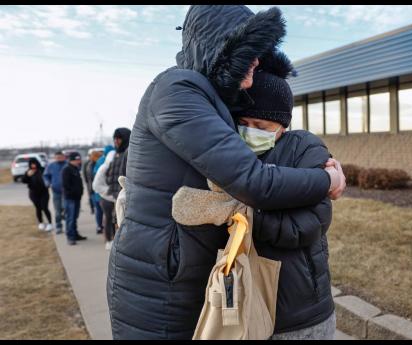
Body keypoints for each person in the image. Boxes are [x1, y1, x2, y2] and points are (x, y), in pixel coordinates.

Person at [106, 5, 346, 340]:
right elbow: (254, 181)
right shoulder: (177, 90)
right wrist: (329, 180)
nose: (257, 62)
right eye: (249, 51)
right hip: (158, 277)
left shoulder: (208, 96)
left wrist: (318, 162)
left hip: (185, 272)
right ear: (219, 47)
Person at [232, 69, 340, 340]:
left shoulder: (305, 147)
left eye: (261, 126)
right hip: (242, 303)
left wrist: (242, 215)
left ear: (282, 126)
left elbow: (308, 224)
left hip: (300, 310)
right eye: (243, 122)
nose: (249, 132)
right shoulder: (228, 152)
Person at [61, 152, 87, 245]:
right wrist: (74, 192)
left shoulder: (75, 168)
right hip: (70, 198)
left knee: (75, 217)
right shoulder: (66, 170)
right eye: (77, 159)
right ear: (72, 160)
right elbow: (66, 185)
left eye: (79, 159)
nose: (79, 161)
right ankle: (70, 237)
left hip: (76, 198)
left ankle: (75, 234)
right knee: (70, 218)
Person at [22, 157, 53, 232]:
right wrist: (27, 175)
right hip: (33, 193)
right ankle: (41, 222)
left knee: (44, 207)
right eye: (31, 164)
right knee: (38, 208)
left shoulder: (42, 169)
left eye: (34, 163)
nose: (33, 165)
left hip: (44, 192)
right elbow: (24, 181)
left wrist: (48, 184)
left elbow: (48, 178)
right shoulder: (28, 171)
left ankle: (50, 223)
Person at [43, 151, 67, 234]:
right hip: (56, 191)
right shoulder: (51, 166)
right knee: (57, 211)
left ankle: (68, 225)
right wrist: (48, 183)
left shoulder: (67, 164)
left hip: (67, 192)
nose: (59, 158)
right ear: (55, 158)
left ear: (64, 157)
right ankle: (59, 226)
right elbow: (46, 176)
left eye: (61, 157)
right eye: (57, 157)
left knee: (66, 208)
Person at [86, 150, 104, 234]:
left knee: (98, 209)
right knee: (99, 209)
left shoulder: (89, 164)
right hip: (95, 191)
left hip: (92, 190)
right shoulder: (94, 165)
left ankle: (99, 226)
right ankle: (100, 226)